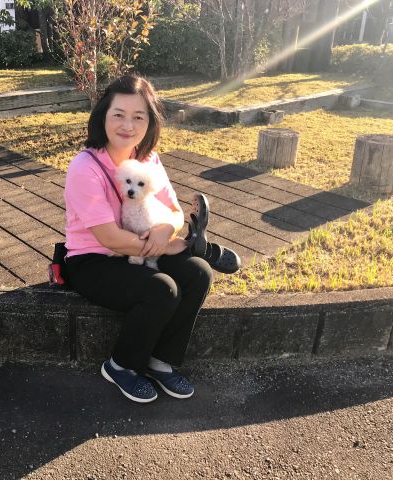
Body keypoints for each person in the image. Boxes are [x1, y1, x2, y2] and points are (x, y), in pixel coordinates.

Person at [63, 74, 238, 403]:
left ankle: (160, 361)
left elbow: (174, 211)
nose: (128, 125)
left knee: (198, 273)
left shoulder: (148, 160)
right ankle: (121, 366)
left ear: (150, 122)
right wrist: (164, 245)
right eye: (118, 114)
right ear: (103, 115)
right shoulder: (85, 167)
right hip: (93, 260)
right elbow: (110, 238)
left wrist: (165, 230)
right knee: (162, 289)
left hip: (144, 245)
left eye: (138, 117)